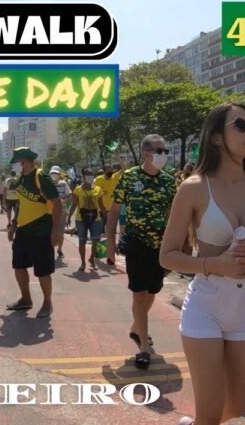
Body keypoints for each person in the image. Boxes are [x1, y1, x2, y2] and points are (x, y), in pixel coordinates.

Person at [159, 103, 245, 425]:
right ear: (215, 138)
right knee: (210, 415)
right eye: (239, 125)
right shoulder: (194, 188)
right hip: (206, 307)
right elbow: (168, 255)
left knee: (237, 408)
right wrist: (217, 264)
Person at [106, 134, 176, 371]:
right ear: (146, 153)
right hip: (136, 243)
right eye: (160, 151)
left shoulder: (169, 181)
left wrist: (182, 244)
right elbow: (114, 212)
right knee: (139, 292)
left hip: (160, 245)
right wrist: (110, 245)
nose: (164, 155)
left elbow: (177, 216)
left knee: (152, 291)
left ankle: (137, 327)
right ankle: (144, 346)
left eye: (165, 151)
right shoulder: (129, 177)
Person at [5, 147, 63, 318]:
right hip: (23, 230)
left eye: (16, 162)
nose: (15, 165)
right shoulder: (21, 179)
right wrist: (14, 224)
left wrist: (55, 231)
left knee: (43, 270)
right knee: (19, 266)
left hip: (41, 230)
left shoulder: (41, 176)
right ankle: (25, 299)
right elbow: (21, 205)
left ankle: (47, 303)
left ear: (24, 161)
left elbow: (57, 204)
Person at [67, 168, 106, 272]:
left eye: (91, 174)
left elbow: (102, 206)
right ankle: (83, 263)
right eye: (87, 175)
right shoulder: (77, 190)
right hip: (81, 219)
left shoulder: (98, 189)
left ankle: (92, 258)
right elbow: (74, 204)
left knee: (96, 240)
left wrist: (108, 217)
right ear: (83, 177)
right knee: (82, 241)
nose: (90, 176)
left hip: (95, 218)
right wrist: (68, 217)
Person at [49, 165, 72, 259]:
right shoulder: (47, 184)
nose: (54, 175)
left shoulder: (64, 184)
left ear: (59, 175)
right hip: (49, 212)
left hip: (62, 212)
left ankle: (59, 248)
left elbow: (70, 196)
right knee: (50, 232)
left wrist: (63, 200)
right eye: (52, 173)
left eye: (56, 174)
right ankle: (50, 250)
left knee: (60, 233)